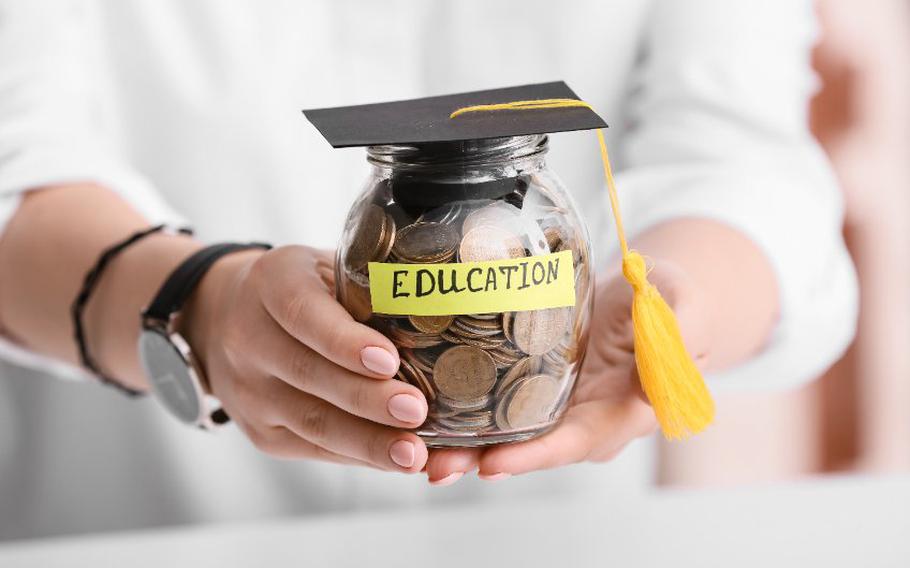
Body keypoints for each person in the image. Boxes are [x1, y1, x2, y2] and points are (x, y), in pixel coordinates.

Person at [0, 0, 856, 538]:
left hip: (559, 537)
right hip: (144, 525)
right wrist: (199, 303)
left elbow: (738, 149)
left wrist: (678, 309)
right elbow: (18, 157)